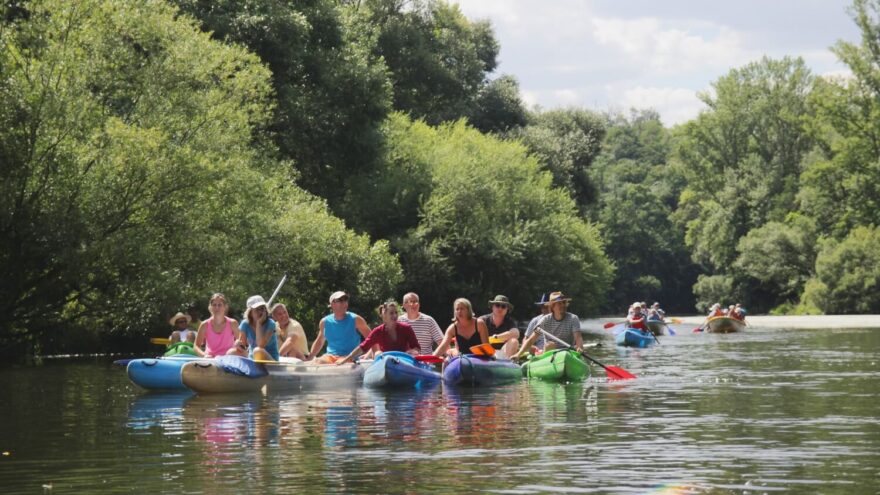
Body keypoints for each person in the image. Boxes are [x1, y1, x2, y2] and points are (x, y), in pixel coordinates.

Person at [337, 301, 420, 364]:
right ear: (384, 315)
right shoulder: (377, 331)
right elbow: (362, 347)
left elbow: (417, 348)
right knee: (378, 353)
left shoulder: (406, 328)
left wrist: (413, 351)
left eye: (396, 312)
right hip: (386, 363)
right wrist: (345, 360)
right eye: (391, 313)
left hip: (404, 361)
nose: (395, 316)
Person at [308, 291, 371, 364]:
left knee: (340, 363)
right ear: (332, 304)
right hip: (330, 356)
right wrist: (310, 357)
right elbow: (319, 341)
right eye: (340, 300)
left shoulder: (356, 320)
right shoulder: (324, 322)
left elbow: (372, 338)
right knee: (318, 361)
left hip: (349, 357)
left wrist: (369, 354)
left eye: (345, 300)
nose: (344, 303)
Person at [515, 291, 583, 357]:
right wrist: (518, 354)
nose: (563, 305)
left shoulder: (573, 318)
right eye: (559, 303)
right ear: (552, 306)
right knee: (551, 345)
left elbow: (578, 337)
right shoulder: (545, 320)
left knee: (576, 347)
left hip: (567, 353)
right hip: (549, 353)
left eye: (564, 302)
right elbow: (531, 339)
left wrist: (579, 347)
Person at [194, 293, 241, 357]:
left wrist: (238, 346)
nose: (217, 307)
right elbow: (196, 346)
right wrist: (204, 355)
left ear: (225, 307)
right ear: (210, 307)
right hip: (210, 360)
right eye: (214, 305)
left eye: (219, 305)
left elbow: (241, 342)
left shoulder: (233, 323)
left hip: (228, 359)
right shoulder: (204, 324)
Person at [234, 295, 279, 361]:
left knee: (258, 351)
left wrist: (259, 323)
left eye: (262, 308)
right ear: (250, 312)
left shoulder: (271, 323)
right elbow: (242, 345)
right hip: (252, 358)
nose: (261, 312)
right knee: (232, 352)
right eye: (257, 309)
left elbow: (260, 345)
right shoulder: (245, 324)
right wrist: (238, 344)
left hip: (271, 361)